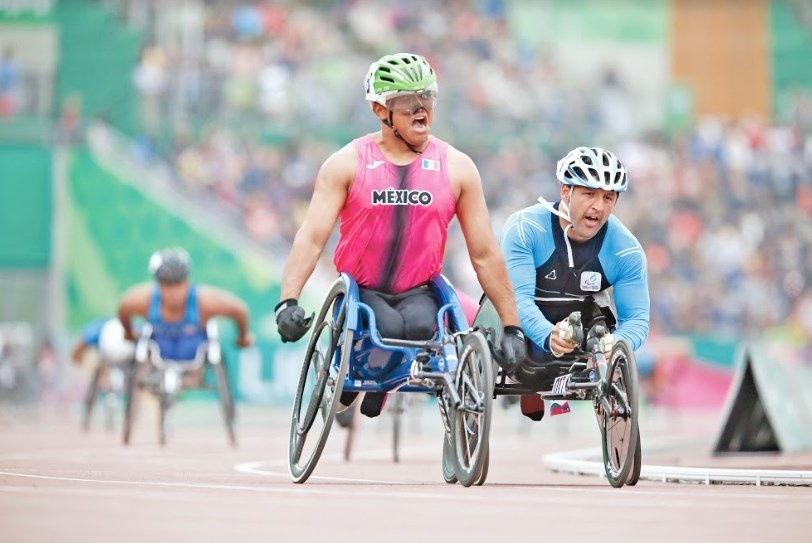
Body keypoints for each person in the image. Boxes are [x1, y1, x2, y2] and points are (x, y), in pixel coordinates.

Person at [275, 52, 526, 418]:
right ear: (380, 110)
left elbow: (485, 253)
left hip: (419, 291)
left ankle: (388, 379)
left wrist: (511, 326)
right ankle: (364, 383)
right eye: (409, 103)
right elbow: (311, 238)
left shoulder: (458, 168)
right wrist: (288, 301)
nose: (421, 110)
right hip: (364, 291)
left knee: (424, 325)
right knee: (387, 326)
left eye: (427, 98)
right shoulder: (345, 163)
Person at [499, 146, 650, 421]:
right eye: (589, 194)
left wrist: (615, 342)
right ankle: (527, 381)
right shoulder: (525, 229)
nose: (598, 206)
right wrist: (548, 336)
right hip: (527, 328)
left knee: (602, 330)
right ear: (565, 192)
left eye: (608, 197)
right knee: (518, 341)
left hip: (581, 325)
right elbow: (516, 300)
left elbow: (638, 320)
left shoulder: (626, 250)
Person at [117, 247, 253, 385]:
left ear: (187, 280)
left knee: (205, 353)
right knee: (137, 350)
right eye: (167, 285)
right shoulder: (141, 300)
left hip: (193, 348)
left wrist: (243, 337)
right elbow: (123, 310)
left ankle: (193, 377)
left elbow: (240, 311)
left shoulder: (205, 301)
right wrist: (128, 333)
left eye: (178, 284)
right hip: (159, 348)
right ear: (158, 283)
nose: (174, 292)